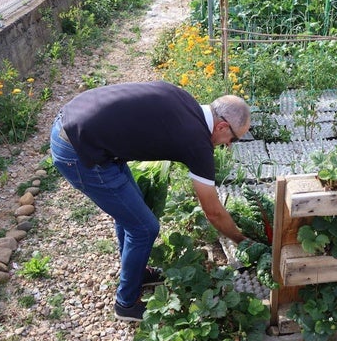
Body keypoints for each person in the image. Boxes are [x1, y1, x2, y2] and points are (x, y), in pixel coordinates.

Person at [49, 81, 251, 322]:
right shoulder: (197, 141)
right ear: (222, 126)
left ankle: (136, 273)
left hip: (79, 124)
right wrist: (241, 240)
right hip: (78, 150)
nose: (228, 145)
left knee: (132, 213)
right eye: (234, 139)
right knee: (145, 227)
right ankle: (125, 304)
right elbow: (213, 212)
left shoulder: (186, 100)